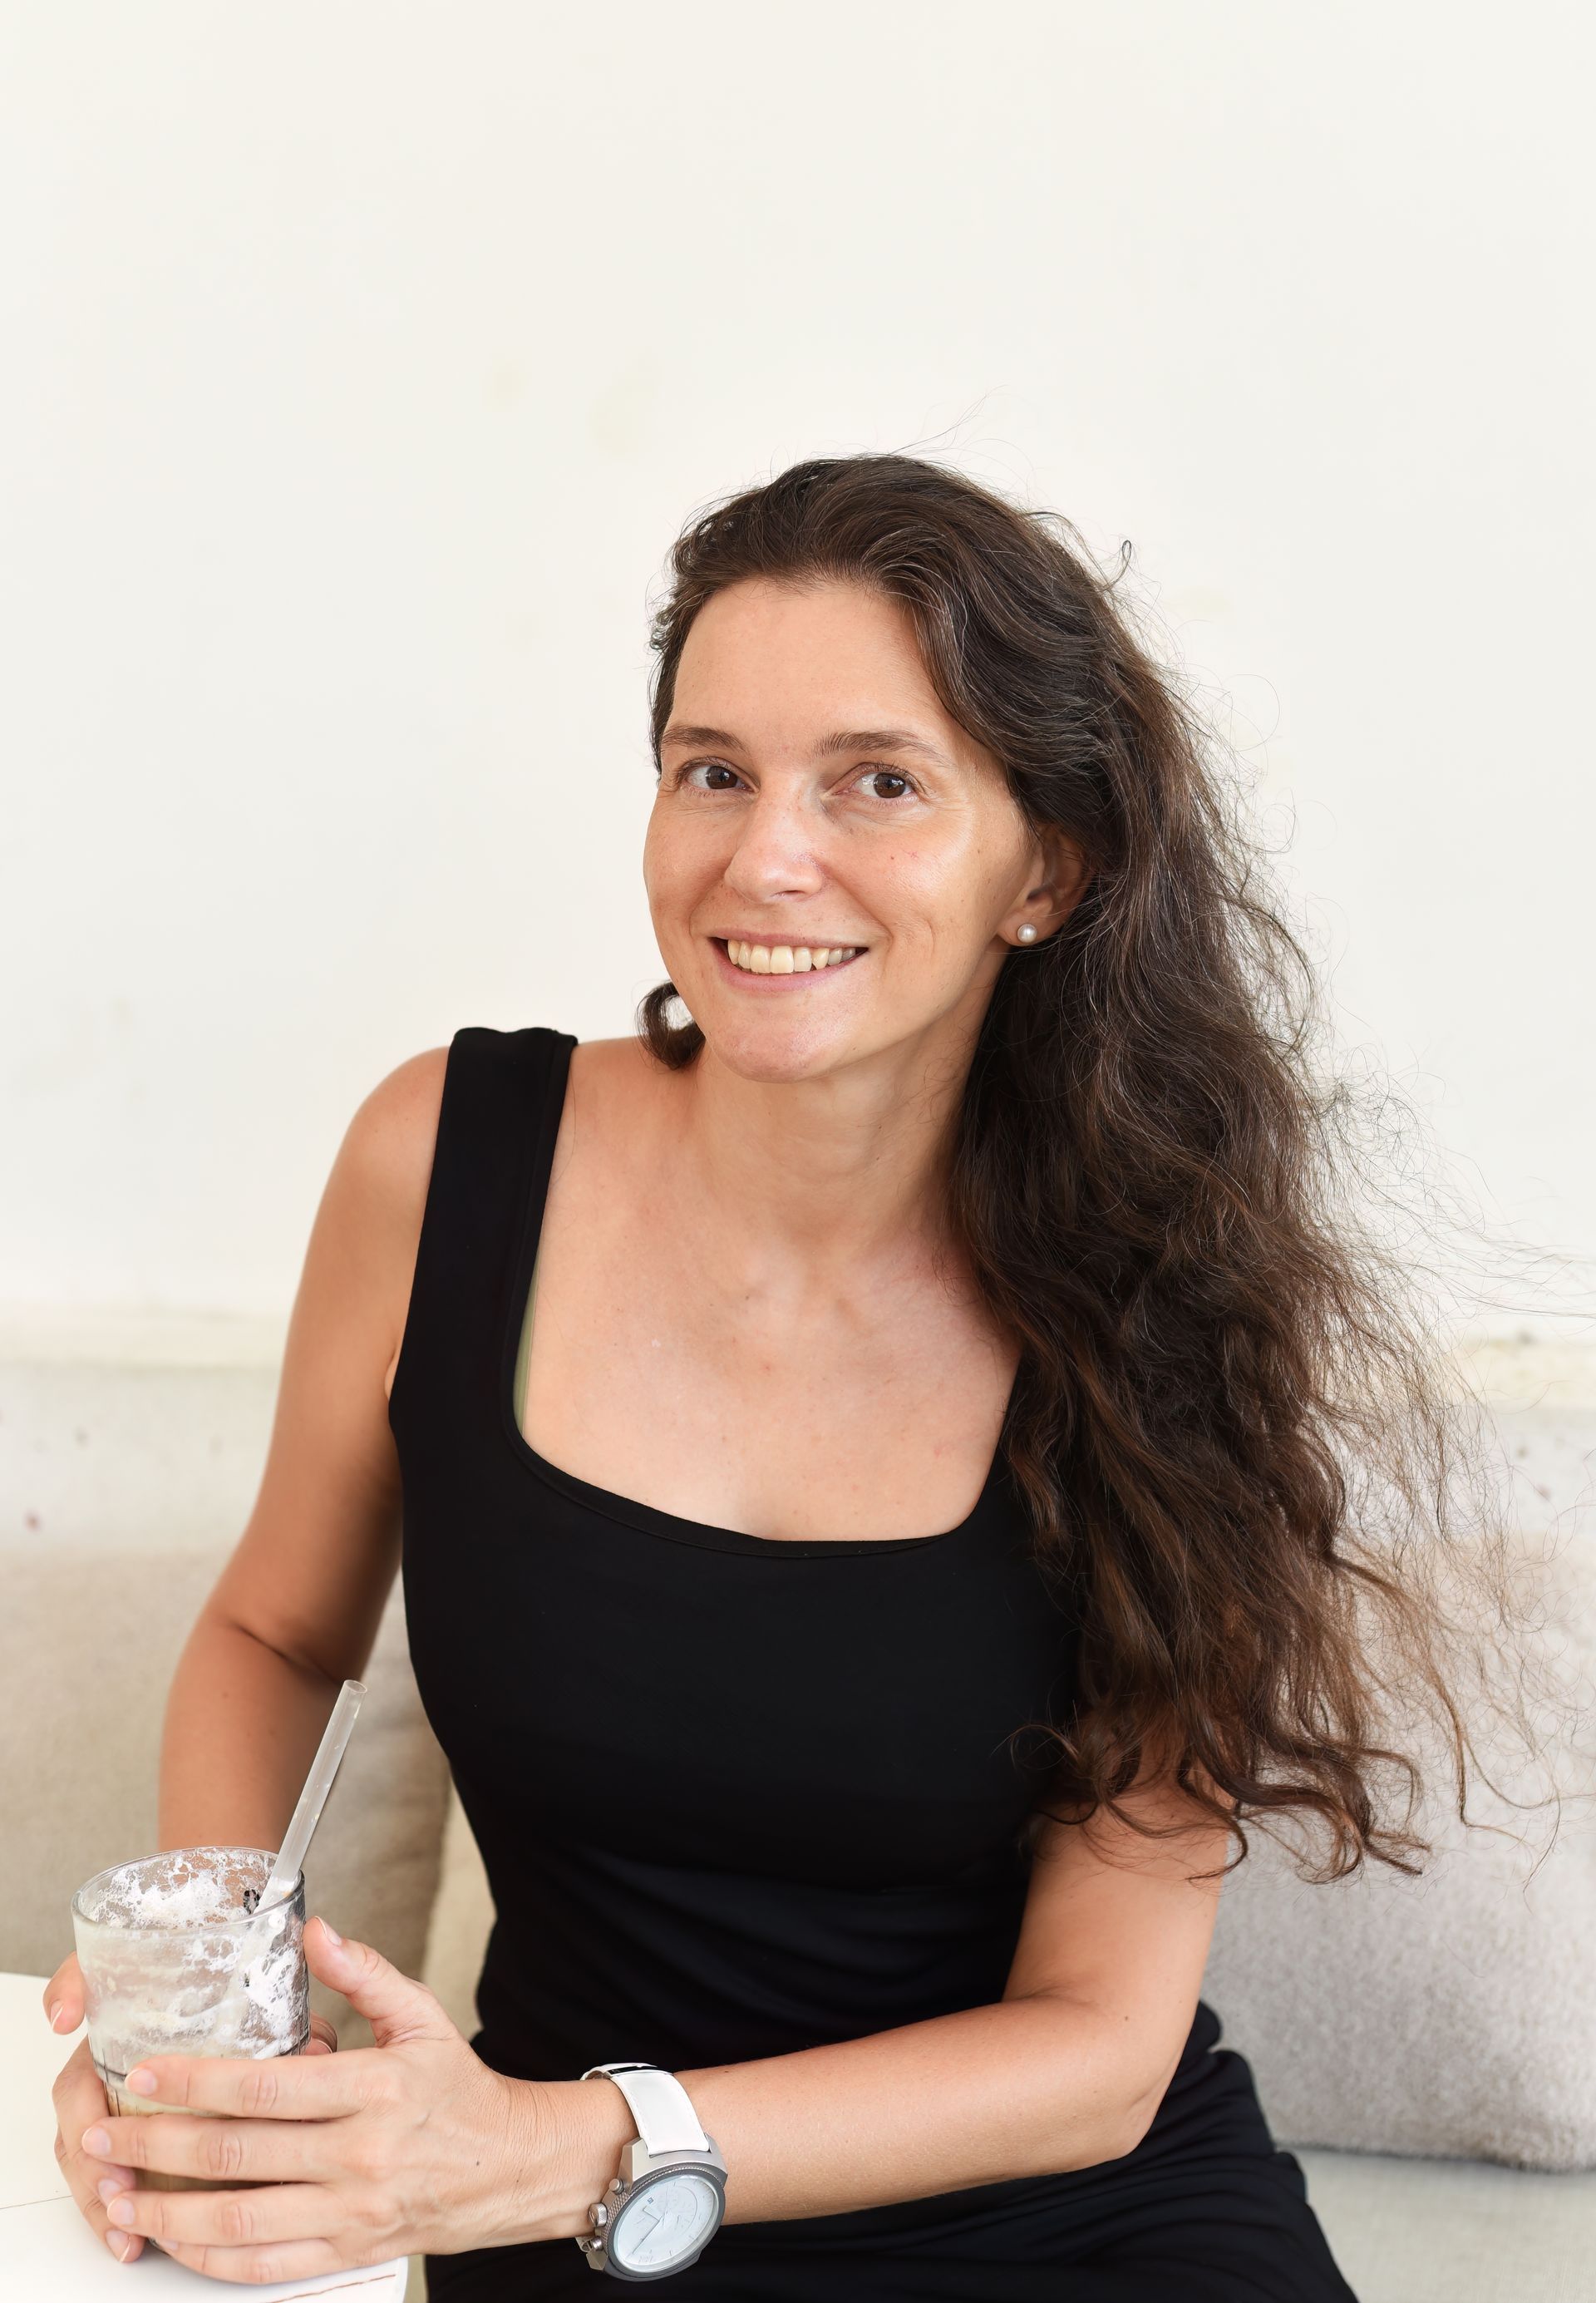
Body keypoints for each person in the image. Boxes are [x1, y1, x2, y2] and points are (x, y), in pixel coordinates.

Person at [53, 451, 1544, 2297]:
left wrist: (570, 2139)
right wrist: (204, 2029)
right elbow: (278, 1634)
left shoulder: (1164, 1304)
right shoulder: (442, 1162)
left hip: (1047, 2219)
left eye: (881, 782)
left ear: (1047, 868)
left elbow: (1099, 2045)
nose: (766, 854)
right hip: (568, 2235)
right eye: (713, 770)